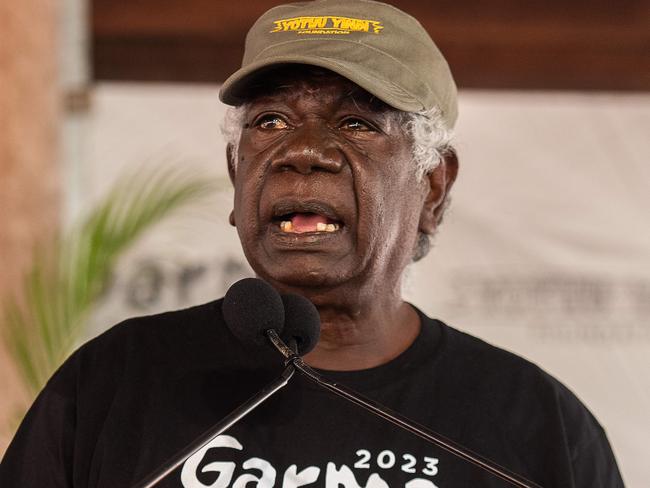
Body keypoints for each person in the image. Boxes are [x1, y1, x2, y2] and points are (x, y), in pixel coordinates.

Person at [1, 1, 624, 487]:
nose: (301, 151)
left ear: (432, 187)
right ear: (234, 173)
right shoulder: (108, 386)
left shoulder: (539, 427)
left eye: (357, 123)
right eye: (269, 122)